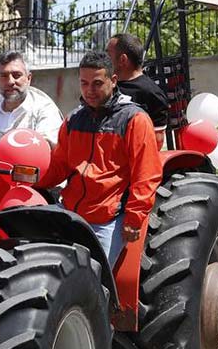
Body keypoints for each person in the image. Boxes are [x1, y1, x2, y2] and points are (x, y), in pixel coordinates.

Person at [38, 52, 161, 267]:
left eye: (97, 83)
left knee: (95, 280)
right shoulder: (74, 119)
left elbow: (146, 175)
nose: (89, 91)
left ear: (113, 81)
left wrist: (133, 219)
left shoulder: (134, 120)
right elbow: (59, 166)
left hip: (108, 221)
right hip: (70, 213)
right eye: (84, 83)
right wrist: (31, 181)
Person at [0, 51, 64, 156]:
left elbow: (44, 150)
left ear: (29, 78)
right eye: (4, 76)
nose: (10, 82)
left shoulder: (44, 111)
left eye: (16, 75)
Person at [107, 33, 169, 146]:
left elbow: (156, 142)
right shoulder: (107, 87)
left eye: (108, 55)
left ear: (123, 59)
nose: (104, 60)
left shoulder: (152, 94)